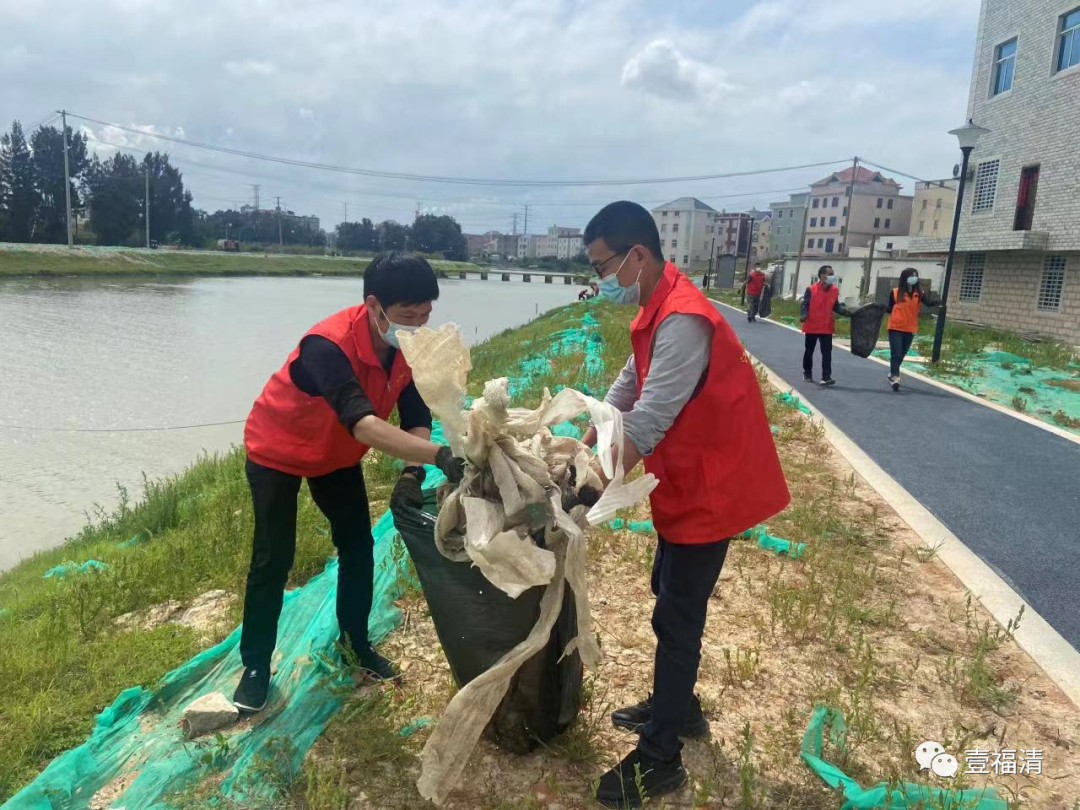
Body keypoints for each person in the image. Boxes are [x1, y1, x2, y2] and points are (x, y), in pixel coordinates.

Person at [580, 202, 791, 808]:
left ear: (636, 256)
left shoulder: (685, 318)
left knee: (677, 616)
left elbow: (649, 418)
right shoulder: (658, 304)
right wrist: (583, 442)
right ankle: (682, 706)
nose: (601, 280)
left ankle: (661, 756)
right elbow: (627, 386)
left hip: (713, 482)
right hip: (685, 477)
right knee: (665, 590)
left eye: (603, 266)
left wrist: (587, 484)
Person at [234, 252, 466, 713]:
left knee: (358, 545)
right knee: (273, 558)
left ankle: (355, 646)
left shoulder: (409, 347)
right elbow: (362, 423)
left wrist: (413, 471)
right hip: (277, 449)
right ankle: (256, 667)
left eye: (426, 315)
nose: (418, 326)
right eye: (408, 316)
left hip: (335, 455)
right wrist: (440, 456)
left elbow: (416, 414)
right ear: (376, 305)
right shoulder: (329, 345)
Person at [800, 265, 850, 386]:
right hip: (812, 326)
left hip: (827, 327)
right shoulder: (811, 289)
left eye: (833, 273)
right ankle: (807, 372)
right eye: (830, 274)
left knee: (827, 353)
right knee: (809, 351)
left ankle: (826, 377)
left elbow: (836, 306)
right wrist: (803, 314)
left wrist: (848, 313)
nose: (833, 276)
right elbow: (805, 304)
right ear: (822, 276)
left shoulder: (834, 290)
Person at [885, 267, 933, 391]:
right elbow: (890, 308)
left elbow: (928, 303)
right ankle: (895, 377)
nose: (914, 278)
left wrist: (940, 302)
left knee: (902, 353)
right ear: (905, 278)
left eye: (915, 275)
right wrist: (879, 309)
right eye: (912, 275)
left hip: (910, 328)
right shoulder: (895, 292)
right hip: (895, 327)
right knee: (896, 352)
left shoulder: (919, 293)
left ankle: (892, 373)